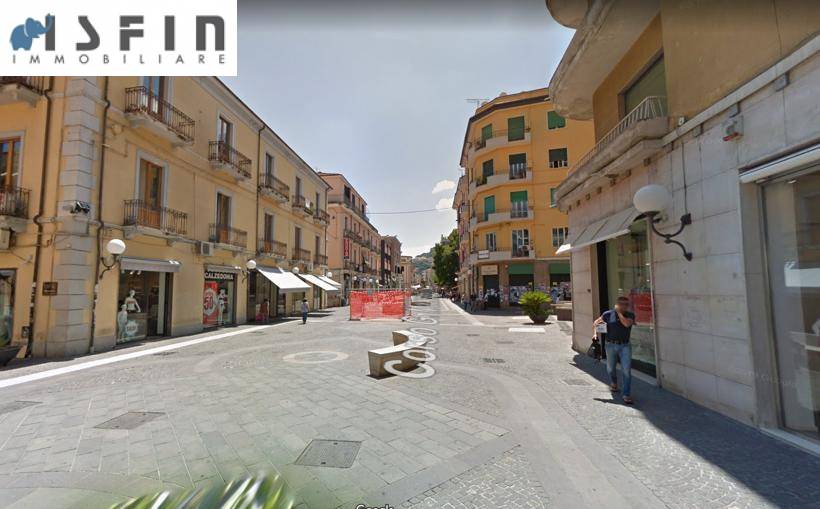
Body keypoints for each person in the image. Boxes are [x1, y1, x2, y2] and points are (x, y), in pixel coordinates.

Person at [593, 296, 636, 404]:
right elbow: (596, 322)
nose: (624, 306)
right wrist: (595, 334)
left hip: (625, 346)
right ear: (617, 304)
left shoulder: (630, 315)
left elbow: (626, 324)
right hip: (610, 345)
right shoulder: (608, 314)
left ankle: (626, 394)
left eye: (626, 304)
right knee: (610, 368)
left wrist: (619, 313)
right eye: (621, 304)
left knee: (626, 370)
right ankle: (614, 383)